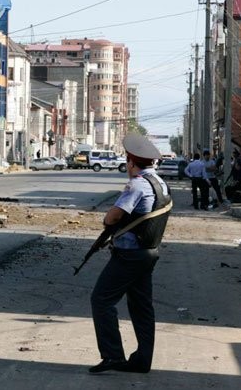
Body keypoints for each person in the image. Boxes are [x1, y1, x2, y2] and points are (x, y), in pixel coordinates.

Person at [89, 132, 172, 374]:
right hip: (148, 253)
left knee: (101, 300)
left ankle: (113, 356)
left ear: (131, 162)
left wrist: (107, 220)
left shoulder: (137, 184)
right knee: (141, 307)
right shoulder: (160, 183)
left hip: (129, 255)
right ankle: (142, 360)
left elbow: (114, 216)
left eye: (128, 162)